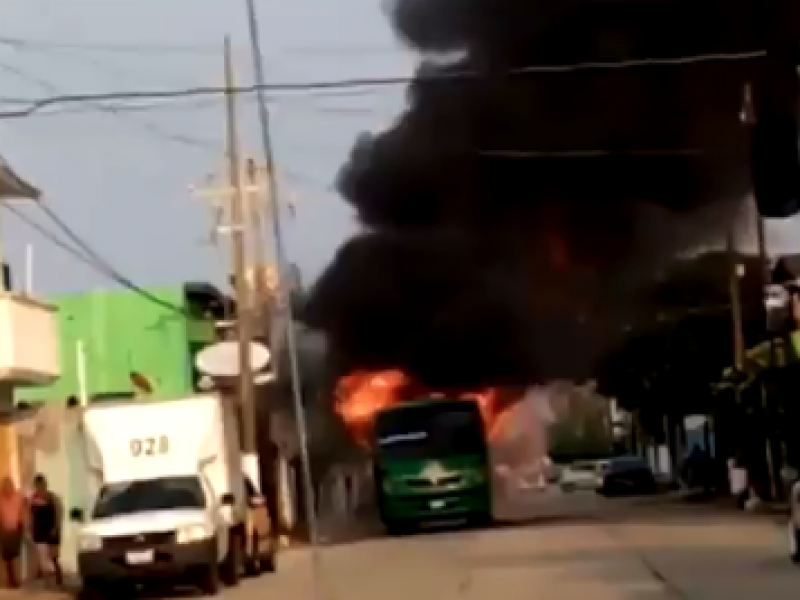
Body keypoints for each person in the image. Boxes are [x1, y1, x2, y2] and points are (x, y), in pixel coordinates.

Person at [29, 475, 62, 587]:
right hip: (39, 530)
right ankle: (47, 581)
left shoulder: (52, 497)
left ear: (45, 484)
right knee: (42, 556)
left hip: (51, 529)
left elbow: (59, 513)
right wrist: (30, 528)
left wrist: (56, 528)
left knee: (53, 557)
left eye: (41, 484)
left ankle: (58, 575)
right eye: (37, 485)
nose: (39, 487)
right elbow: (31, 515)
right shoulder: (33, 498)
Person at [0, 477, 25, 588]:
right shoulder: (0, 498)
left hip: (16, 530)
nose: (7, 487)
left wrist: (21, 524)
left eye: (9, 485)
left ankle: (16, 579)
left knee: (15, 555)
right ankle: (11, 580)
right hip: (4, 530)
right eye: (5, 485)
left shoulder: (18, 497)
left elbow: (22, 511)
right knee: (7, 557)